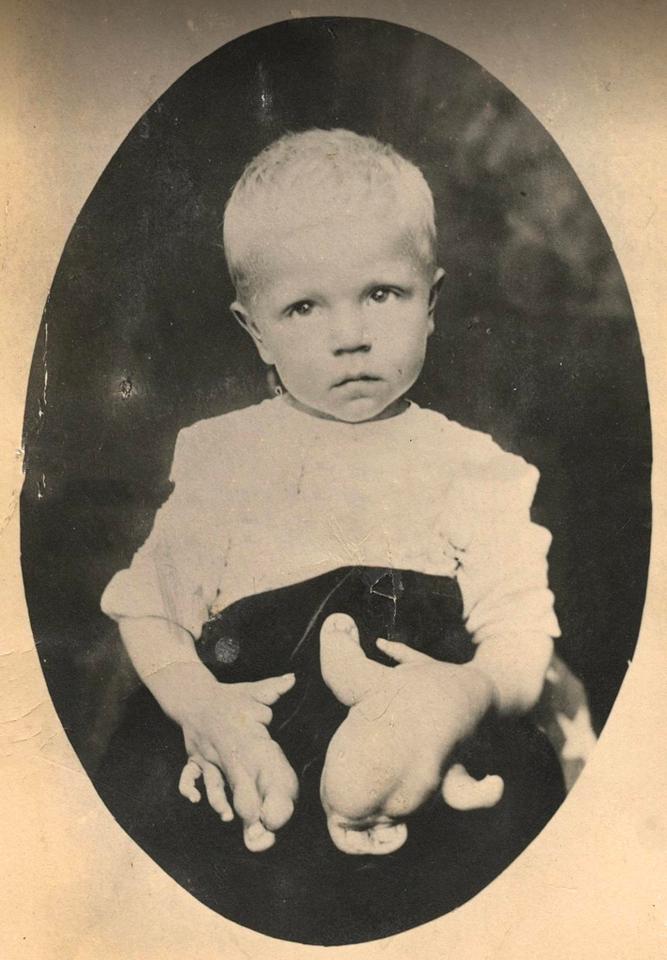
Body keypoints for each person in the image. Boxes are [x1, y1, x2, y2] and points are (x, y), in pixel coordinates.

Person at [99, 128, 566, 943]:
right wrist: (198, 703)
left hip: (422, 783)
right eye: (304, 306)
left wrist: (467, 693)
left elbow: (522, 637)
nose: (348, 334)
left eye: (382, 294)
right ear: (255, 332)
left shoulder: (473, 467)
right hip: (253, 783)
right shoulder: (227, 457)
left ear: (432, 301)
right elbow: (148, 607)